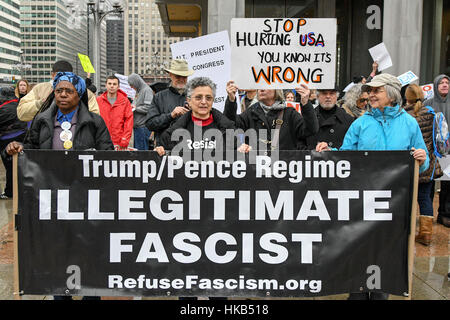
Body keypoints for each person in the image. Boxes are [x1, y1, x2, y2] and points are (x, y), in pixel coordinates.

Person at [316, 74, 429, 300]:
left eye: (377, 90)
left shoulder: (409, 123)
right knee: (358, 257)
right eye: (370, 91)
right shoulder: (361, 123)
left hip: (393, 208)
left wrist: (421, 157)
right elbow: (346, 158)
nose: (370, 95)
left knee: (384, 263)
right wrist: (329, 152)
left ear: (392, 94)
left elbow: (422, 163)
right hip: (361, 205)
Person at [5, 72, 113, 300]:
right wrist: (16, 148)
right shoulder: (42, 119)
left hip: (85, 201)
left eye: (69, 91)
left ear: (79, 94)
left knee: (88, 255)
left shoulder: (95, 122)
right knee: (58, 256)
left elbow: (108, 156)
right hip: (52, 202)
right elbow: (30, 150)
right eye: (58, 91)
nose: (63, 95)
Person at [224, 81, 319, 153]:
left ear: (277, 90)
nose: (261, 89)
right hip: (257, 171)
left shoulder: (290, 114)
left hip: (283, 171)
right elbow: (229, 126)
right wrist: (231, 100)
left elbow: (311, 129)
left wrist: (306, 103)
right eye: (259, 86)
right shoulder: (251, 112)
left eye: (266, 85)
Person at [155, 77, 235, 156]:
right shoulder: (172, 135)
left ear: (213, 100)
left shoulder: (229, 131)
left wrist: (243, 149)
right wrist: (158, 152)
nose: (204, 102)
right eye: (198, 97)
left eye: (208, 98)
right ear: (189, 100)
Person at [404, 84, 443, 245]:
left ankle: (408, 231)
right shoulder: (431, 114)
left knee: (408, 199)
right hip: (429, 162)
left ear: (407, 98)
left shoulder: (406, 116)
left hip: (412, 163)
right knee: (425, 198)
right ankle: (426, 234)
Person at [17, 60, 100, 122]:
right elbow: (21, 112)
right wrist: (41, 103)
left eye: (66, 76)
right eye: (59, 76)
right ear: (52, 75)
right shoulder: (40, 89)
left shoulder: (85, 93)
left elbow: (95, 117)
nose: (62, 80)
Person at [146, 59, 194, 146]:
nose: (181, 79)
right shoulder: (159, 97)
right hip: (165, 149)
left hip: (189, 148)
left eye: (184, 76)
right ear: (171, 75)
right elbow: (150, 124)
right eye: (178, 76)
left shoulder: (195, 97)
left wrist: (194, 113)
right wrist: (171, 115)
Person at [423, 75, 450, 228]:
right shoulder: (428, 104)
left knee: (448, 184)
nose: (445, 85)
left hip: (449, 152)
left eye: (447, 82)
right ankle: (427, 216)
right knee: (430, 182)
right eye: (441, 83)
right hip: (432, 151)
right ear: (435, 86)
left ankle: (444, 214)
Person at [0, 87, 28, 199]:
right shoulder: (20, 105)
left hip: (6, 141)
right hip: (23, 138)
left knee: (10, 168)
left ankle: (9, 192)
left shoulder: (3, 109)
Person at [97, 75, 133, 150]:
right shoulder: (98, 101)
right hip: (102, 140)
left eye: (114, 84)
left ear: (118, 86)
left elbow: (128, 121)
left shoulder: (125, 101)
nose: (112, 86)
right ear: (106, 85)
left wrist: (125, 139)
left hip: (119, 141)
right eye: (109, 84)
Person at [127, 73, 154, 150]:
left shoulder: (147, 90)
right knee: (138, 151)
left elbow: (149, 107)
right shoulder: (139, 91)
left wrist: (136, 108)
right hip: (138, 126)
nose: (131, 87)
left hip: (143, 127)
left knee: (142, 153)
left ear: (136, 82)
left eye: (131, 84)